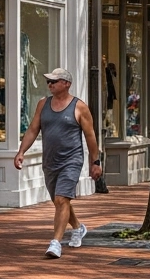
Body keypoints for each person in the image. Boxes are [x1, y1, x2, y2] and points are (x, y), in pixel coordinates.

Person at [13, 67, 102, 258]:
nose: (50, 84)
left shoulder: (79, 107)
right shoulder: (43, 104)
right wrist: (21, 151)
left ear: (66, 84)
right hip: (50, 161)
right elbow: (32, 130)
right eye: (49, 82)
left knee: (62, 199)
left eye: (54, 81)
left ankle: (55, 243)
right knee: (59, 201)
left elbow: (90, 136)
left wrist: (95, 162)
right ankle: (78, 228)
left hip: (72, 160)